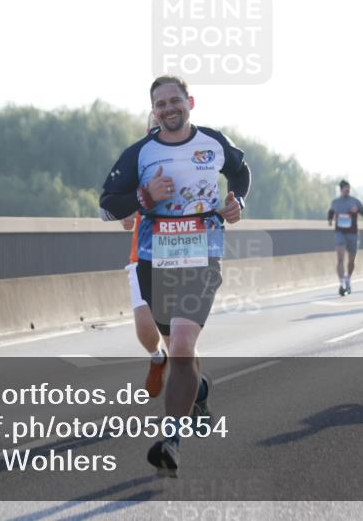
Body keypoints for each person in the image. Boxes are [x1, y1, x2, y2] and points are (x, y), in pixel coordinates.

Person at [99, 75, 250, 477]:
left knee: (182, 346)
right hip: (155, 259)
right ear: (154, 110)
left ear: (190, 102)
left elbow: (241, 171)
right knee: (176, 348)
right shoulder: (141, 153)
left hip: (202, 254)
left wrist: (238, 202)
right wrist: (144, 197)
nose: (168, 108)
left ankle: (171, 441)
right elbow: (107, 204)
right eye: (160, 103)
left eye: (174, 101)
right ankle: (199, 391)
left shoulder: (213, 142)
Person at [120, 114, 168, 398]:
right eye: (153, 129)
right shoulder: (136, 165)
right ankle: (157, 357)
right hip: (143, 257)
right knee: (145, 328)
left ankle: (197, 395)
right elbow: (124, 204)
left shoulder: (189, 162)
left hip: (181, 258)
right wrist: (126, 215)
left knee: (181, 342)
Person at [327, 180, 363, 295]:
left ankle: (348, 278)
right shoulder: (335, 202)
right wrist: (330, 220)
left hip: (352, 233)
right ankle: (342, 283)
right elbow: (331, 212)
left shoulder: (354, 201)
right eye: (345, 188)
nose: (347, 190)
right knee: (340, 258)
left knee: (351, 261)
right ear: (341, 189)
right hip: (340, 233)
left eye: (348, 188)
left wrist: (358, 210)